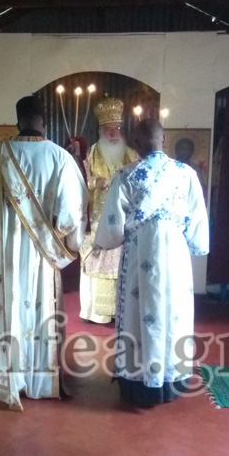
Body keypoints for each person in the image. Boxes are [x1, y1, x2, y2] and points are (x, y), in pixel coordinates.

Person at [0, 96, 88, 411]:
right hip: (42, 257)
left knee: (10, 310)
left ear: (18, 120)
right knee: (39, 313)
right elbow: (71, 217)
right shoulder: (60, 157)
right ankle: (39, 382)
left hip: (4, 255)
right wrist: (67, 240)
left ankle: (6, 376)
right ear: (44, 121)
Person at [95, 118, 209, 407]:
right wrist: (193, 243)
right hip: (175, 258)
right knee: (173, 313)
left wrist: (104, 242)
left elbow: (112, 228)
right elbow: (197, 221)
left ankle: (138, 382)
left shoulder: (125, 175)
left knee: (139, 313)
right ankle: (171, 381)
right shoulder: (186, 174)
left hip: (139, 256)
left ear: (135, 144)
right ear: (164, 140)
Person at [79, 97, 139, 324]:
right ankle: (96, 313)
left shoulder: (131, 154)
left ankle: (119, 311)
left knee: (122, 265)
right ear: (101, 131)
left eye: (117, 129)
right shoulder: (90, 154)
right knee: (96, 265)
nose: (113, 134)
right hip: (97, 220)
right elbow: (80, 181)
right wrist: (95, 182)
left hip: (123, 221)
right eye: (108, 130)